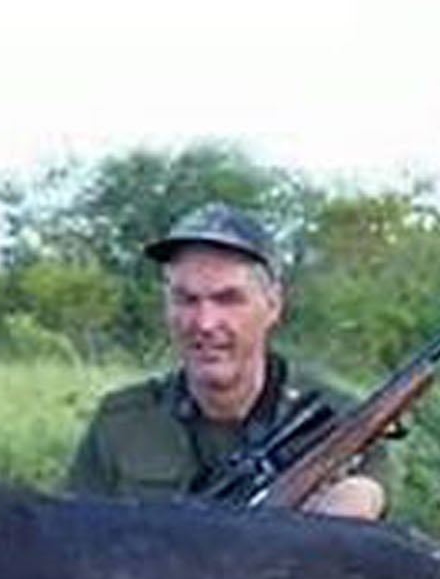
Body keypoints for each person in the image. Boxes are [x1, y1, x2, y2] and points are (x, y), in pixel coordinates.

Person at [67, 202, 388, 520]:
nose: (204, 323)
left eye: (228, 299)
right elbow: (72, 548)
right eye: (186, 299)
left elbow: (362, 519)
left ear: (273, 304)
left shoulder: (335, 424)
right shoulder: (121, 422)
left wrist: (348, 506)